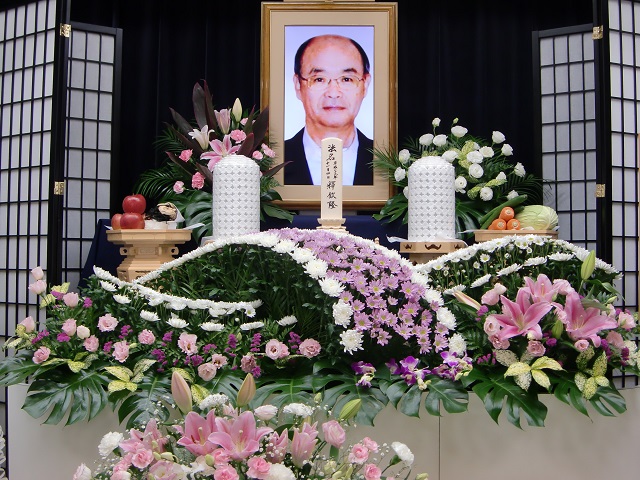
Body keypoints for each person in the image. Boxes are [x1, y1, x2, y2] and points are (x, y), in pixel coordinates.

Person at [284, 34, 373, 186]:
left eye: (346, 79)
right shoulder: (275, 161)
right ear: (298, 85)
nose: (333, 93)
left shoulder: (386, 162)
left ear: (365, 85)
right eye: (319, 79)